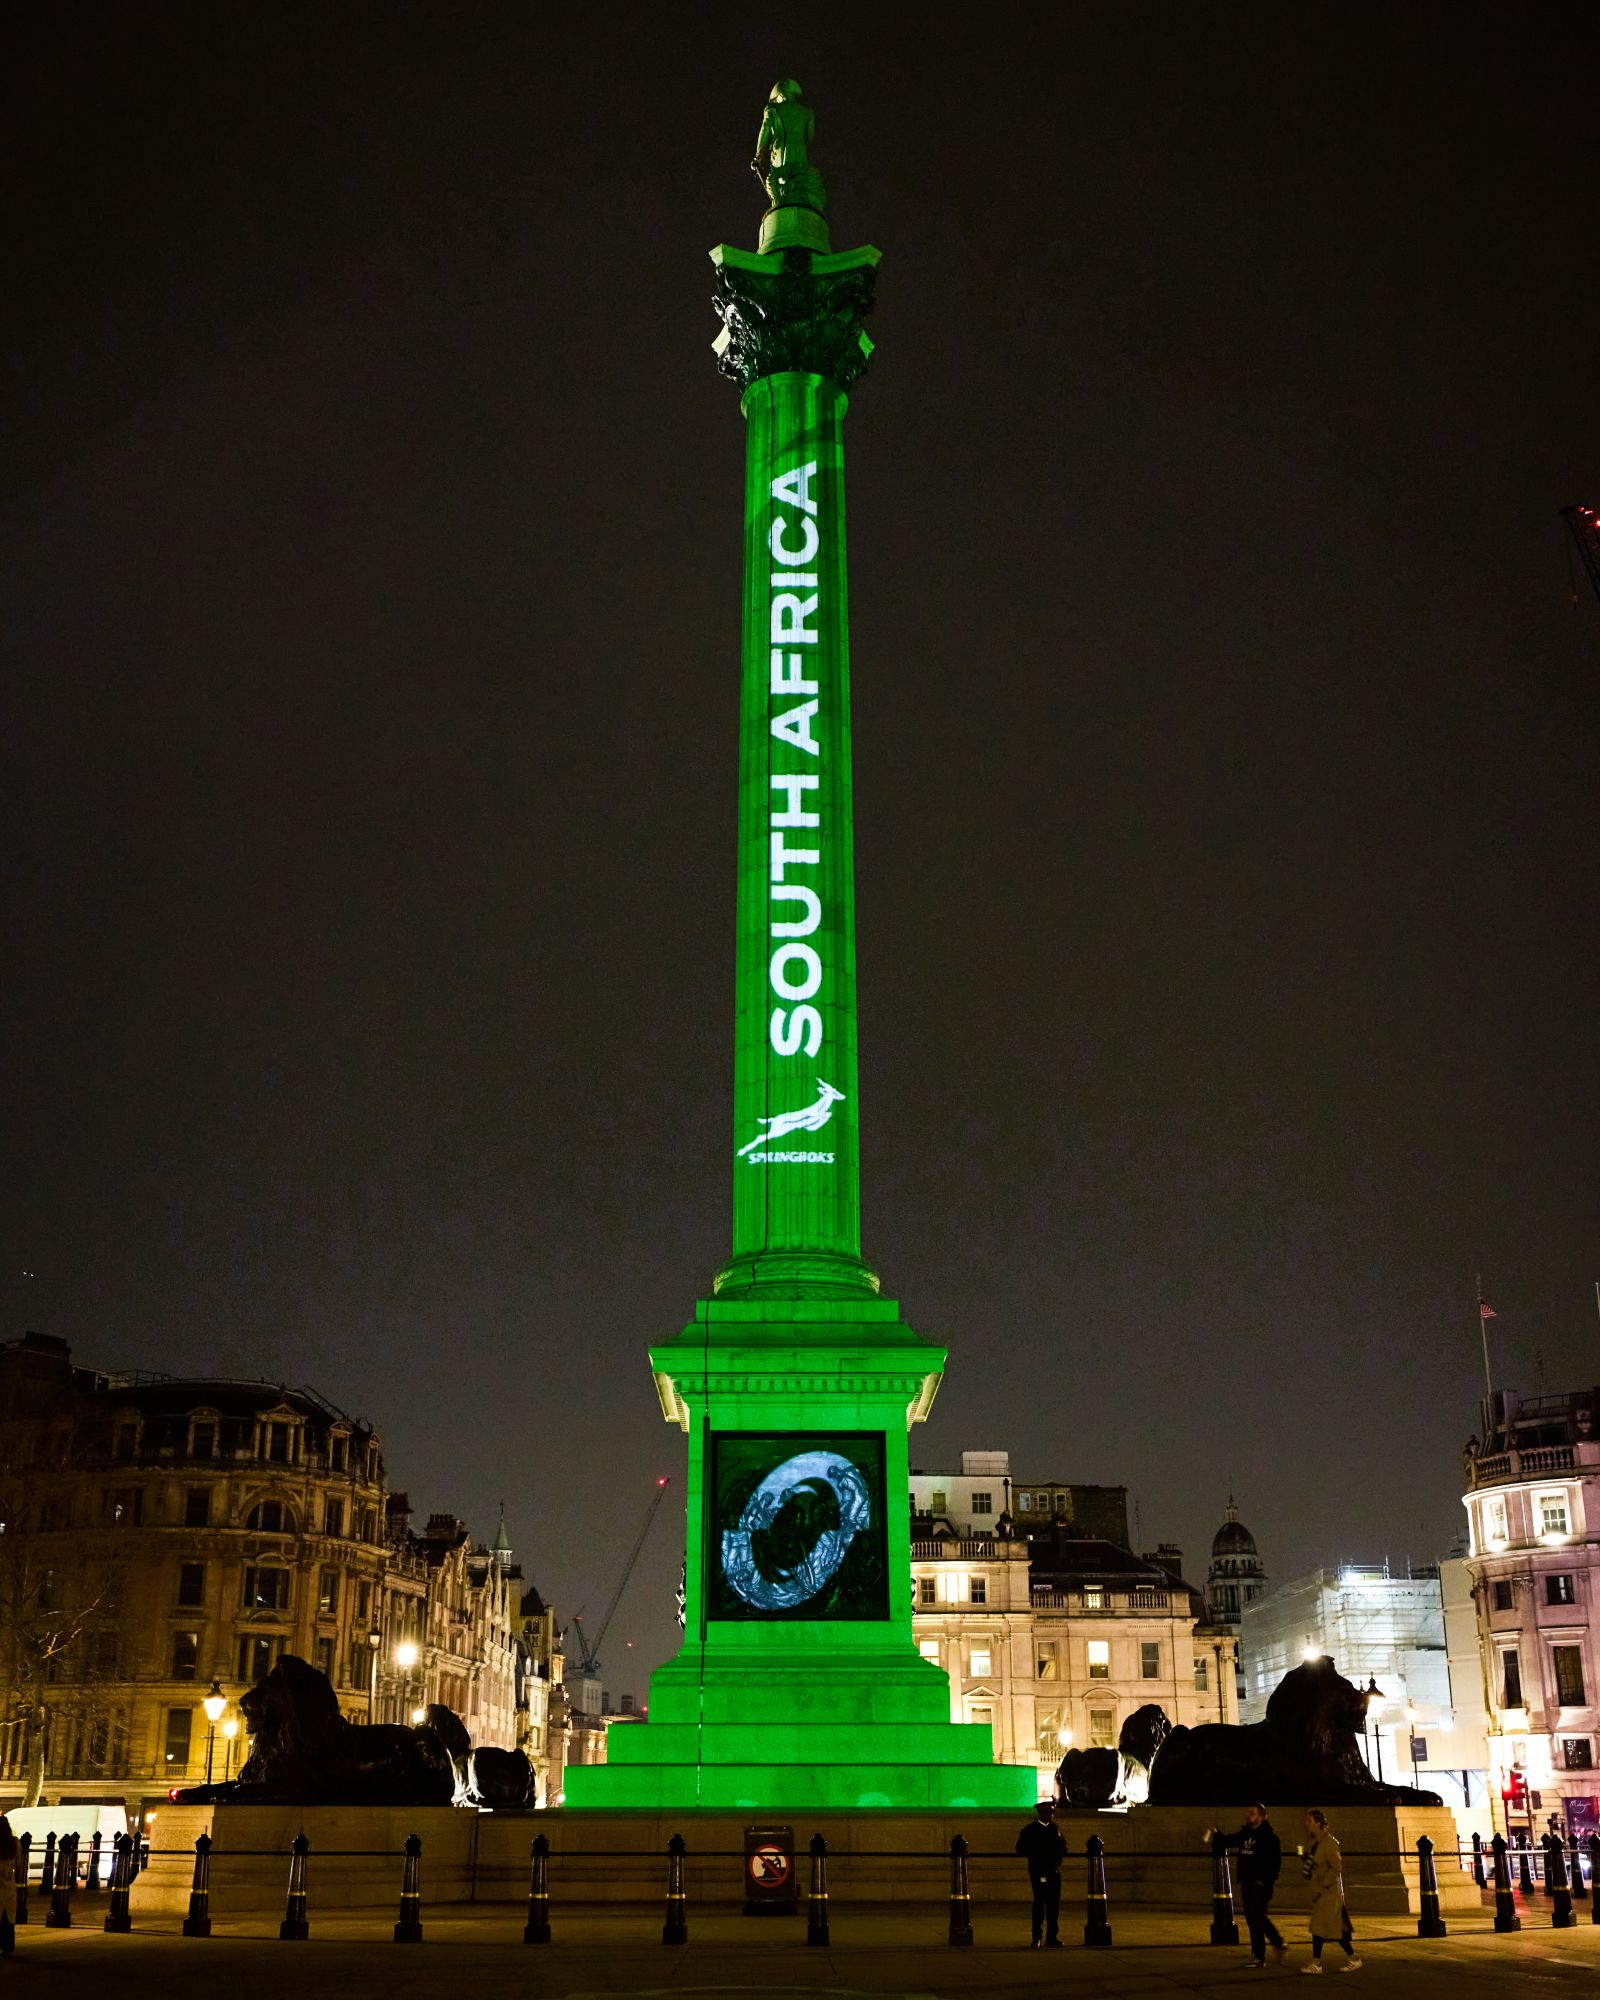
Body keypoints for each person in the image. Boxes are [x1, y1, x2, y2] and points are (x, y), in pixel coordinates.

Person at [1206, 1802, 1285, 1967]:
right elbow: (1229, 1840)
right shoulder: (1245, 1834)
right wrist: (1216, 1834)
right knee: (1252, 1919)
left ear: (1262, 1817)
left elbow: (1275, 1863)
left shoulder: (1269, 1838)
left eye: (1253, 1813)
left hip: (1260, 1884)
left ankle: (1274, 1945)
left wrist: (1264, 1881)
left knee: (1257, 1916)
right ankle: (1260, 1955)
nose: (1249, 1816)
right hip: (1247, 1882)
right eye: (1249, 1813)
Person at [1301, 1808, 1360, 1974]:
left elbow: (1336, 1867)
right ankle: (1354, 1958)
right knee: (1335, 1930)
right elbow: (1312, 1860)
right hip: (1321, 1891)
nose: (1307, 1824)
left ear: (1318, 1823)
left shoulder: (1330, 1843)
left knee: (1318, 1928)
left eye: (1310, 1821)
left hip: (1328, 1892)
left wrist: (1323, 1884)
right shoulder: (1315, 1842)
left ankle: (1317, 1963)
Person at [1014, 1797, 1068, 1948]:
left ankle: (1051, 1937)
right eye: (1046, 1813)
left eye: (1051, 1813)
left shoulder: (1055, 1828)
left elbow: (1063, 1847)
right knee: (1039, 1904)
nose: (1049, 1815)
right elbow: (1020, 1849)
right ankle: (1036, 1937)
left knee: (1053, 1906)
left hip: (1053, 1871)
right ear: (1040, 1813)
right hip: (1039, 1871)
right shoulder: (1030, 1830)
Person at [0, 1814, 17, 1959]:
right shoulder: (14, 1842)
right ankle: (7, 1945)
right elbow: (18, 1863)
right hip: (9, 1882)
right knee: (8, 1915)